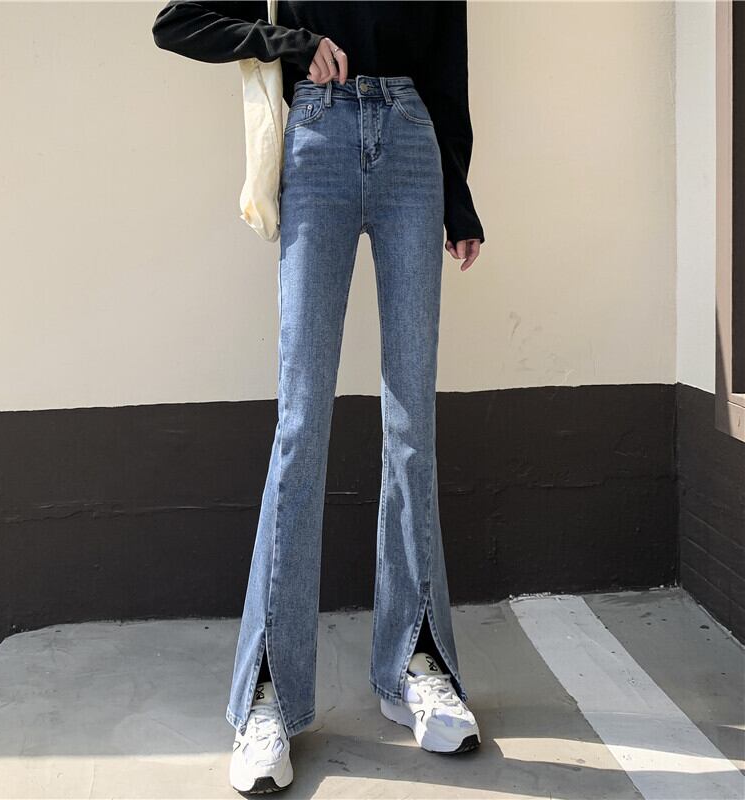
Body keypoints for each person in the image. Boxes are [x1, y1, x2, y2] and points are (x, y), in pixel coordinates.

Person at [152, 1, 485, 792]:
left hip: (412, 142)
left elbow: (447, 65)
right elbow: (179, 21)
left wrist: (458, 196)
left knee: (413, 423)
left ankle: (415, 662)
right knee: (301, 423)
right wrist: (291, 43)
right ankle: (267, 694)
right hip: (319, 135)